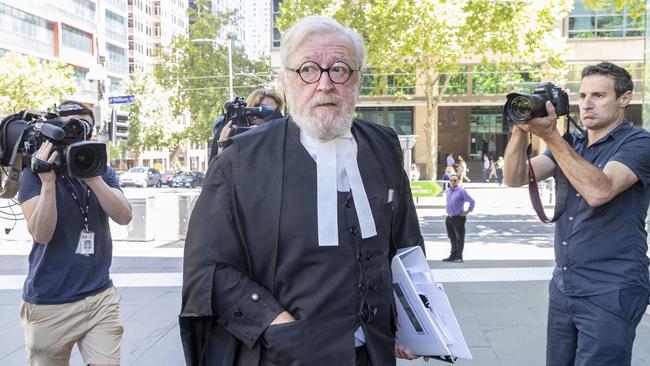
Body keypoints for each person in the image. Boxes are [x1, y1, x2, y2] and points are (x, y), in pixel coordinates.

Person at [180, 15, 425, 366]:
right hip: (285, 355)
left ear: (358, 82)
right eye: (308, 69)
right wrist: (277, 325)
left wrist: (416, 321)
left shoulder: (383, 147)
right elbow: (207, 270)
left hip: (374, 352)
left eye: (340, 69)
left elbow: (405, 245)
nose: (325, 84)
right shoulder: (240, 161)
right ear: (286, 81)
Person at [503, 62, 650, 366]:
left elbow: (600, 191)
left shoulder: (639, 143)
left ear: (624, 98)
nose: (587, 104)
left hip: (611, 288)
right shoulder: (574, 143)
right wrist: (522, 129)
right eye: (582, 96)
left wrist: (552, 137)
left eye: (598, 95)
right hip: (565, 286)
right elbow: (516, 177)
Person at [17, 100, 132, 365]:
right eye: (70, 128)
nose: (78, 135)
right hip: (50, 304)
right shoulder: (33, 175)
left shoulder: (101, 170)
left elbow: (124, 216)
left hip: (101, 297)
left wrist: (92, 175)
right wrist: (48, 183)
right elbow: (41, 234)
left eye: (85, 128)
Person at [210, 88, 285, 159]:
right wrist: (222, 145)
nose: (268, 116)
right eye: (262, 110)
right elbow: (217, 167)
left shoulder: (282, 134)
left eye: (273, 113)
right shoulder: (237, 130)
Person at [442, 175, 475, 263]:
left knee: (459, 238)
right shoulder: (448, 191)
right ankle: (452, 256)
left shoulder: (461, 191)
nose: (453, 182)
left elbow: (472, 201)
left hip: (458, 218)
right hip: (449, 218)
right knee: (452, 238)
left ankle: (459, 257)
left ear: (458, 181)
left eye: (455, 180)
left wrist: (467, 211)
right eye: (451, 180)